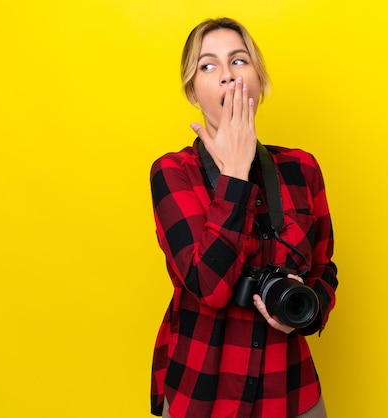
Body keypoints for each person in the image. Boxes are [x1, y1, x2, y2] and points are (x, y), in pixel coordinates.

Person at [149, 17, 338, 418]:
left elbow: (324, 268)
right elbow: (210, 287)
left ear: (259, 80)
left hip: (289, 391)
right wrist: (235, 173)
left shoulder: (302, 168)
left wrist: (307, 310)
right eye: (208, 65)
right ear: (192, 91)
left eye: (239, 61)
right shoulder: (172, 173)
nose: (227, 76)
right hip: (201, 394)